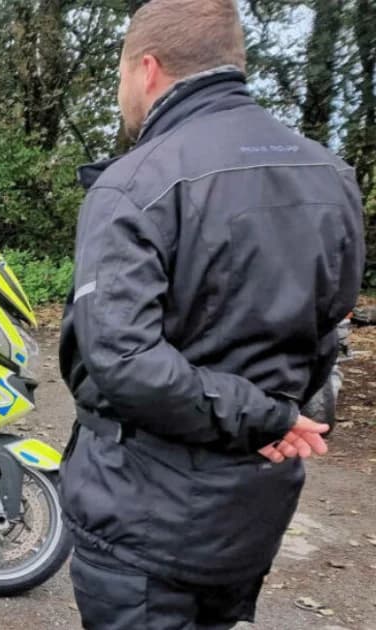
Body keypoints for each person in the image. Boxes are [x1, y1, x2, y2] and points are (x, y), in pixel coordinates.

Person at [57, 1, 366, 628]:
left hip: (143, 513)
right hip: (254, 506)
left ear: (147, 69)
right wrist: (287, 417)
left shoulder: (136, 182)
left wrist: (268, 417)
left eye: (121, 77)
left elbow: (122, 360)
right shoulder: (331, 174)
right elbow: (328, 332)